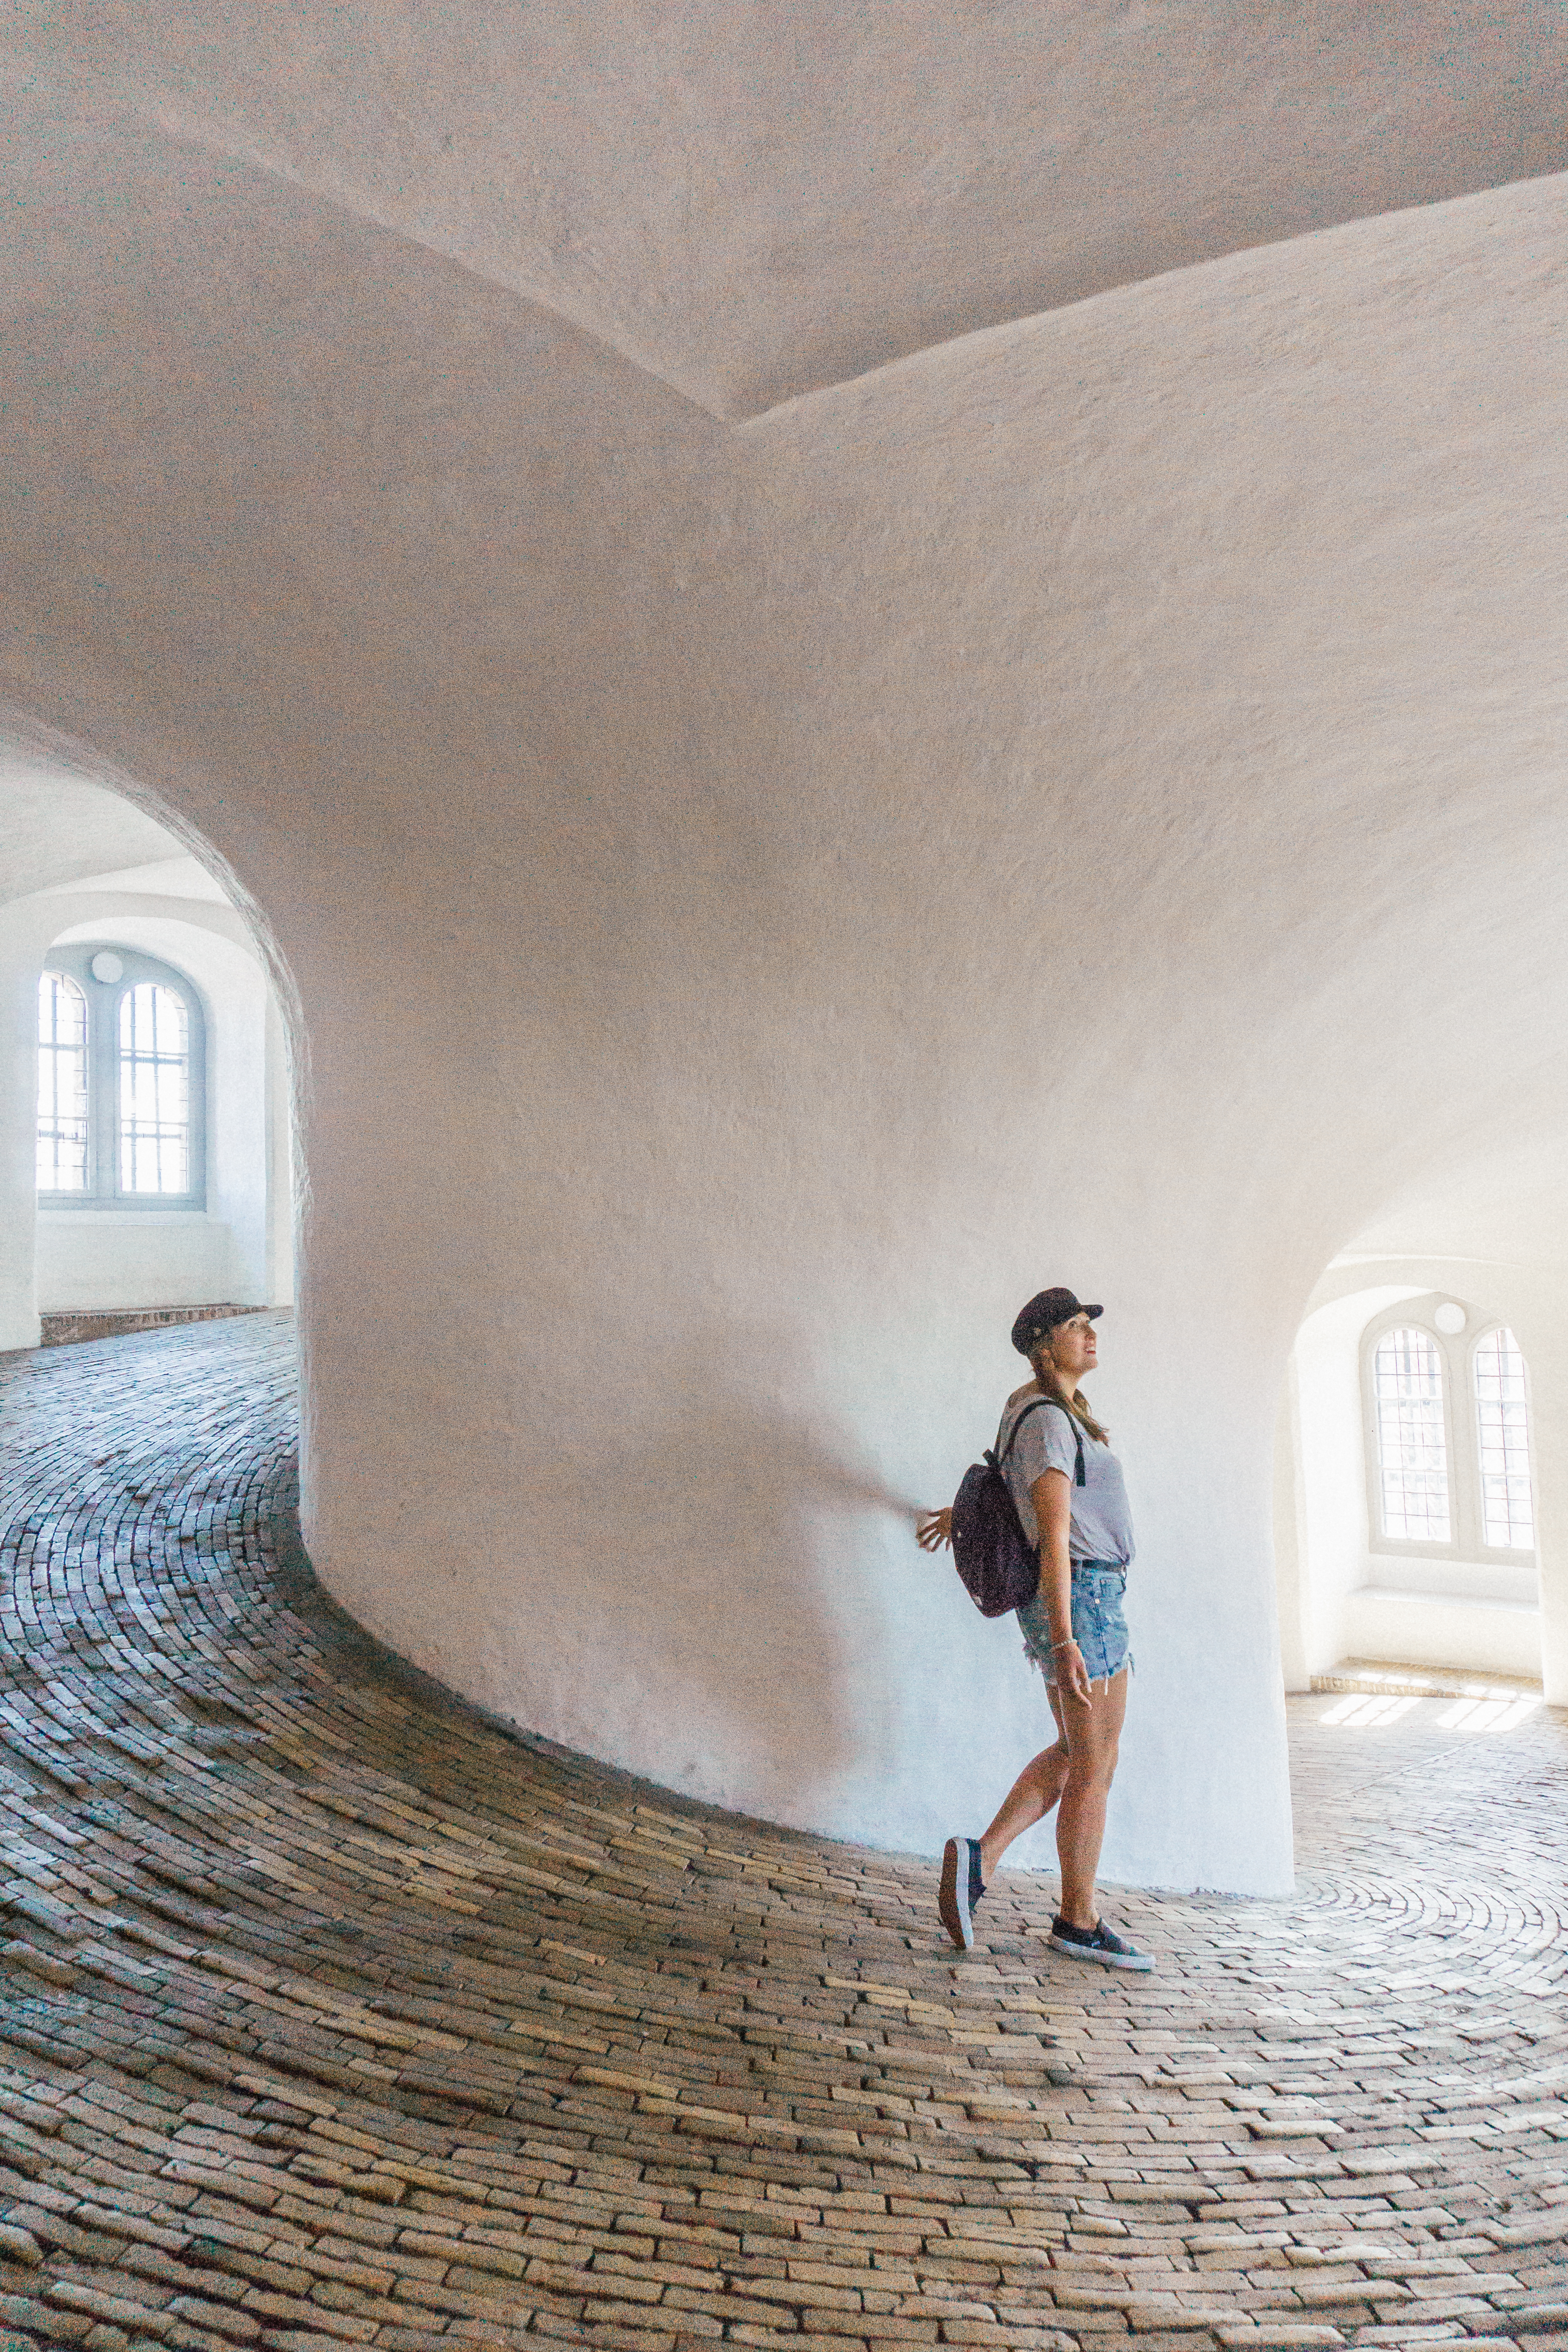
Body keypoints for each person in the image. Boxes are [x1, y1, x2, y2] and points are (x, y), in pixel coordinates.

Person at [917, 1286, 1153, 1971]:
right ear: (1046, 1343)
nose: (1091, 1336)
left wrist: (961, 1517)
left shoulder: (1031, 1410)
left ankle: (979, 1861)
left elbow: (1012, 1494)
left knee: (1077, 1752)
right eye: (1078, 1327)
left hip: (1082, 1599)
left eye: (1090, 1327)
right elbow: (1051, 1534)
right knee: (1094, 1766)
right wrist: (1067, 1639)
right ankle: (1078, 1921)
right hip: (1083, 1599)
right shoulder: (1050, 1422)